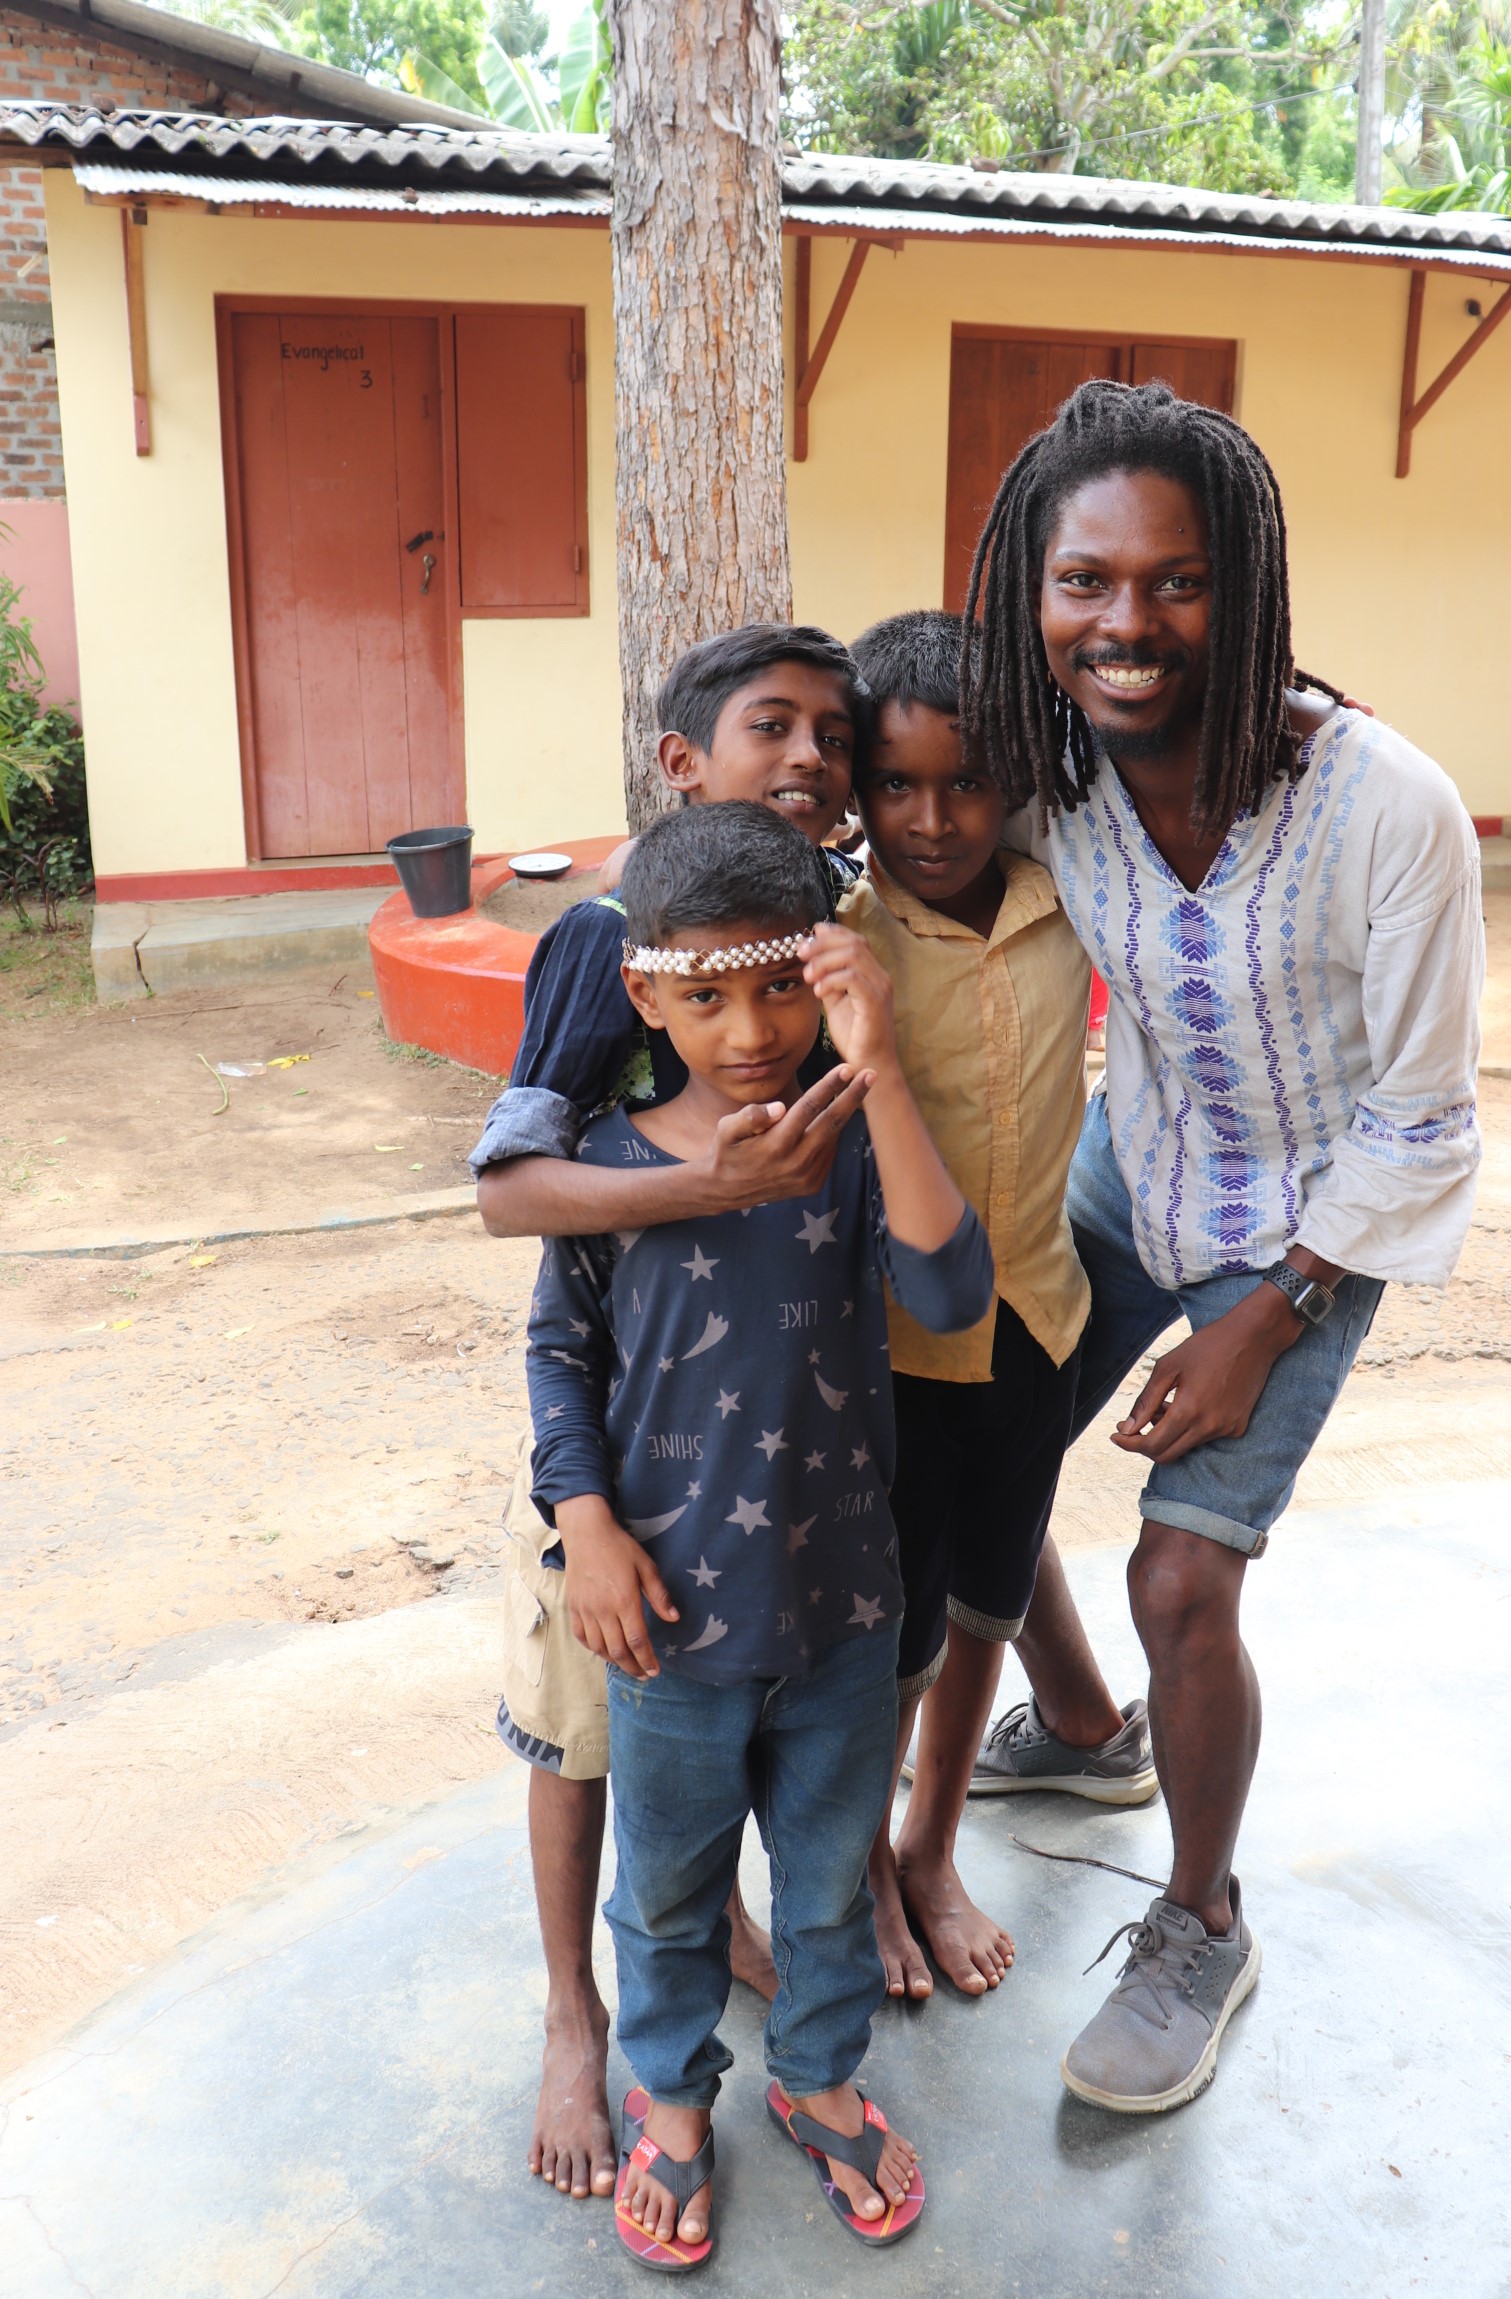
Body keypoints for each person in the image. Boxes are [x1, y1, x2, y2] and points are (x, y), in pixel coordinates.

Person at [962, 377, 1483, 2113]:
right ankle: (1084, 1735)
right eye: (1086, 581)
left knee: (1181, 1574)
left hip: (1315, 1223)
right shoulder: (1045, 777)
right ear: (1029, 593)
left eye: (1175, 582)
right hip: (1132, 1173)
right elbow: (885, 838)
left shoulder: (1385, 807)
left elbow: (1421, 1120)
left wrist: (1261, 1321)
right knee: (977, 1446)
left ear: (1242, 589)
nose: (1127, 624)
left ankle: (1202, 1919)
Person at [527, 802, 994, 2265]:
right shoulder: (603, 1170)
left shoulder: (850, 1143)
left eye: (781, 986)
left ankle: (818, 2077)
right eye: (709, 997)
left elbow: (952, 1294)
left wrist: (888, 1075)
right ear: (646, 995)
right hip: (667, 1629)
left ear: (828, 975)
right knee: (666, 1893)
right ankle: (671, 2100)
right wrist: (586, 1526)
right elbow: (558, 1358)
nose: (748, 1031)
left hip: (846, 1611)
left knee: (827, 1872)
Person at [472, 625, 876, 2205]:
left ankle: (729, 1958)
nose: (812, 761)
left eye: (833, 736)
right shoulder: (602, 940)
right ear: (681, 763)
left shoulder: (821, 932)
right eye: (772, 725)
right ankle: (583, 2020)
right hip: (621, 1446)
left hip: (784, 1446)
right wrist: (698, 1185)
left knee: (727, 1774)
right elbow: (509, 1192)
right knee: (588, 1734)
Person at [841, 609, 1156, 2006]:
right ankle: (856, 1868)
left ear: (1015, 777)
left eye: (966, 781)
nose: (930, 817)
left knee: (986, 1600)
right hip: (891, 1353)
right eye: (894, 785)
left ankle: (932, 1847)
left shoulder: (1063, 897)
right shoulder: (838, 942)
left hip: (1035, 1318)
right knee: (894, 1630)